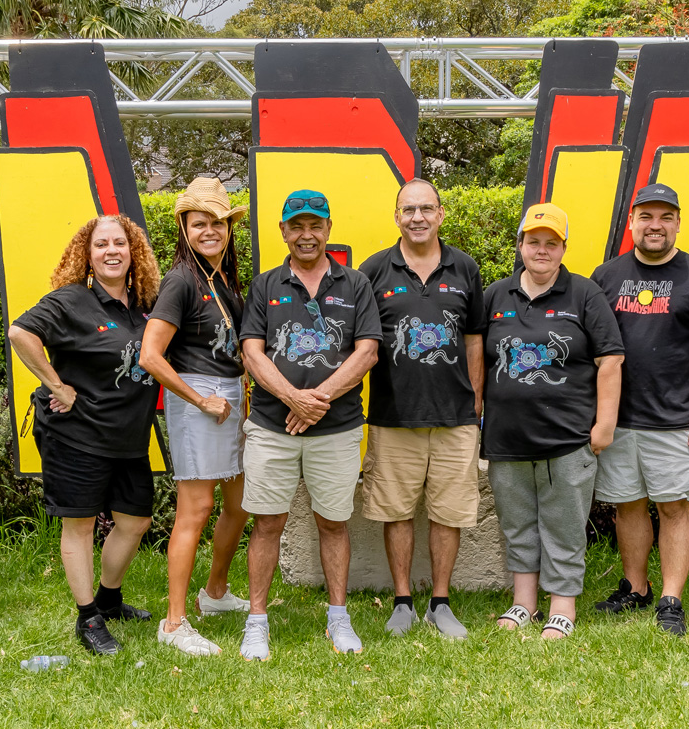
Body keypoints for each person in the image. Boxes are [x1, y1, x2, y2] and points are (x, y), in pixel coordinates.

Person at [9, 215, 163, 656]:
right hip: (76, 435)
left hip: (129, 437)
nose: (112, 251)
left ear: (133, 252)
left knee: (135, 522)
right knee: (78, 526)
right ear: (87, 255)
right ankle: (88, 618)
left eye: (120, 243)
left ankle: (109, 600)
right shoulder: (71, 300)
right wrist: (57, 386)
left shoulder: (144, 303)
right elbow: (20, 333)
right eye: (102, 245)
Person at [239, 190, 382, 660]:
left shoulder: (356, 284)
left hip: (337, 427)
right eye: (296, 225)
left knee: (334, 523)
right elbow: (252, 352)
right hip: (271, 426)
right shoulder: (265, 286)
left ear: (328, 228)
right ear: (283, 230)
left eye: (315, 225)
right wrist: (291, 398)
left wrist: (318, 399)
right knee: (266, 525)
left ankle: (338, 619)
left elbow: (367, 351)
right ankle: (256, 622)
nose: (306, 234)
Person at [590, 182, 689, 637]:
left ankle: (671, 599)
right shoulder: (606, 276)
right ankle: (636, 587)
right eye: (647, 217)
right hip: (621, 420)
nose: (656, 226)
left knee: (674, 508)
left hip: (678, 422)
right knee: (628, 506)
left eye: (665, 217)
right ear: (632, 221)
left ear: (677, 223)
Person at [483, 203, 623, 640]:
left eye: (551, 243)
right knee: (518, 523)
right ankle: (523, 603)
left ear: (563, 248)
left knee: (563, 525)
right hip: (507, 438)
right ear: (520, 244)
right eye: (533, 241)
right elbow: (477, 359)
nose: (541, 250)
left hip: (568, 437)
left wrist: (605, 424)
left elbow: (611, 360)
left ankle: (562, 606)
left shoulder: (584, 294)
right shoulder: (495, 296)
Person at [357, 179, 485, 641]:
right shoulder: (373, 271)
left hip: (456, 419)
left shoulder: (465, 268)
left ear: (440, 214)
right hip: (393, 416)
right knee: (397, 511)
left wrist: (476, 405)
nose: (417, 217)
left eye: (426, 208)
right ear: (396, 217)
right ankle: (403, 601)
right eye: (408, 209)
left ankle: (441, 603)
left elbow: (475, 342)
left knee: (449, 513)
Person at [139, 178, 250, 659]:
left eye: (218, 223)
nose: (211, 231)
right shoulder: (181, 279)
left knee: (241, 502)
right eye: (200, 223)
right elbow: (150, 355)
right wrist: (200, 399)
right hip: (199, 401)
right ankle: (174, 621)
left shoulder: (221, 276)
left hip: (231, 398)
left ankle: (216, 593)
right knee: (196, 509)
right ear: (184, 227)